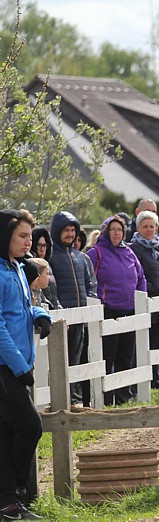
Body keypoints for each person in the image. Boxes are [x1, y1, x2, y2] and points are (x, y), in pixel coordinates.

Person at [0, 209, 51, 520]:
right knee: (31, 426)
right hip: (6, 367)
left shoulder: (19, 268)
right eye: (21, 235)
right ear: (5, 236)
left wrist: (39, 315)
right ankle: (16, 489)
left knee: (7, 432)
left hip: (16, 364)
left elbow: (22, 308)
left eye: (30, 236)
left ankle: (7, 502)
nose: (28, 241)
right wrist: (20, 366)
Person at [86, 215, 147, 406]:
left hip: (128, 311)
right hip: (107, 311)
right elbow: (88, 280)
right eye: (112, 229)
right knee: (107, 356)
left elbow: (141, 277)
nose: (116, 233)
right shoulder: (96, 252)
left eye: (119, 230)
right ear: (106, 231)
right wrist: (97, 301)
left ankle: (122, 398)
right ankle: (105, 399)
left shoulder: (129, 252)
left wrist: (141, 299)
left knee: (125, 356)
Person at [49, 211, 95, 405]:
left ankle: (73, 397)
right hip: (62, 321)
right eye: (66, 230)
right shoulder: (51, 256)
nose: (70, 234)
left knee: (77, 360)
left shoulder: (80, 257)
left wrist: (91, 302)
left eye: (72, 230)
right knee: (61, 361)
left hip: (81, 318)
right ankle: (61, 399)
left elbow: (90, 284)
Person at [129, 210, 159, 389]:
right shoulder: (135, 249)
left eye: (152, 226)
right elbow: (137, 276)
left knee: (157, 342)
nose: (149, 230)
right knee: (144, 343)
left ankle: (154, 379)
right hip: (147, 301)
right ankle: (144, 381)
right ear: (138, 228)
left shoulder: (158, 248)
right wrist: (152, 290)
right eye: (145, 226)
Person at [30, 227, 60, 310]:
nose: (42, 249)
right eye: (39, 245)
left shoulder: (48, 266)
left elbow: (54, 296)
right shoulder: (31, 267)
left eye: (44, 245)